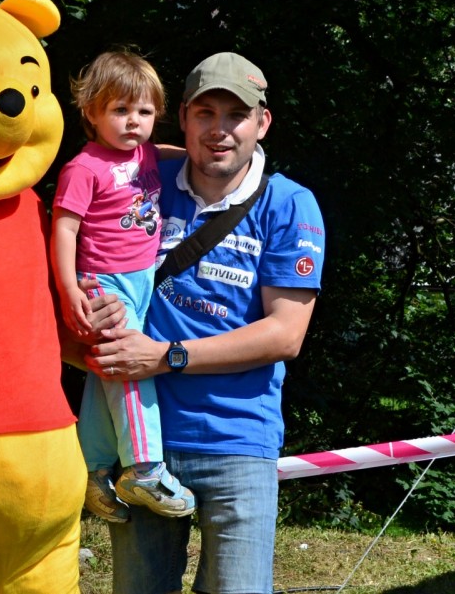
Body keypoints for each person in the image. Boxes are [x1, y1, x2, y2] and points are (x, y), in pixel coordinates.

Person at [83, 52, 326, 594]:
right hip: (142, 445)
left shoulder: (289, 204)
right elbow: (83, 231)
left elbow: (285, 334)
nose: (220, 130)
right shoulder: (142, 180)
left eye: (236, 115)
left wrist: (165, 356)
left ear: (262, 123)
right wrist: (88, 303)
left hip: (239, 442)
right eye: (205, 113)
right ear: (184, 118)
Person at [51, 50, 196, 524]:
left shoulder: (144, 153)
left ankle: (92, 472)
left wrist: (198, 155)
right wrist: (69, 290)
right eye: (120, 109)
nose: (134, 121)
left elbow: (168, 152)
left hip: (141, 280)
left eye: (145, 111)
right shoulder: (84, 167)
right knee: (133, 367)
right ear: (91, 111)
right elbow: (64, 229)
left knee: (107, 372)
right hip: (103, 283)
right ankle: (144, 468)